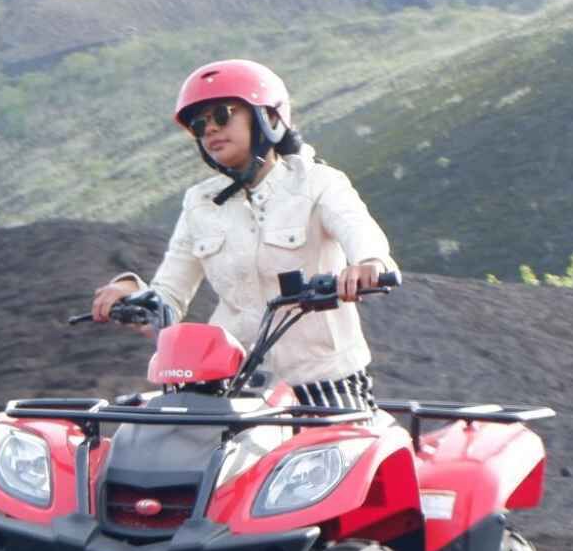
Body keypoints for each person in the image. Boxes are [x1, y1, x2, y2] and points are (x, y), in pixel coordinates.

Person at [89, 61, 398, 409]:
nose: (209, 130)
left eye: (222, 115)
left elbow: (357, 227)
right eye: (198, 124)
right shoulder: (200, 203)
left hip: (322, 382)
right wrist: (135, 295)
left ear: (268, 118)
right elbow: (169, 297)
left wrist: (368, 263)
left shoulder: (317, 183)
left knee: (346, 458)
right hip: (233, 388)